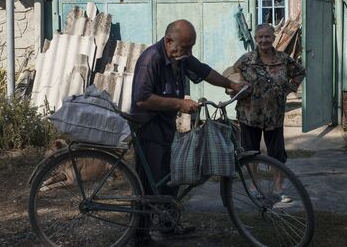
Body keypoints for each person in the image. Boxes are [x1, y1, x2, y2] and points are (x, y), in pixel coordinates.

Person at [130, 19, 246, 245]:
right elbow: (142, 99)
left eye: (191, 47)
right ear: (168, 41)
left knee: (169, 177)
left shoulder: (180, 56)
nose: (189, 52)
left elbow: (204, 71)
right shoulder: (150, 59)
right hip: (147, 127)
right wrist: (179, 104)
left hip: (165, 125)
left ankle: (168, 225)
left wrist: (231, 85)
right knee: (148, 183)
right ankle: (139, 236)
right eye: (185, 47)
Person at [232, 23, 305, 203]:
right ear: (256, 39)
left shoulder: (283, 59)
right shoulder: (246, 60)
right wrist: (234, 88)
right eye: (260, 37)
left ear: (273, 38)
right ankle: (253, 186)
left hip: (274, 115)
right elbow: (231, 76)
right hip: (249, 115)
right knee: (250, 152)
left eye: (267, 37)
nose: (264, 40)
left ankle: (279, 188)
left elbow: (300, 72)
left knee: (277, 153)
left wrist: (288, 89)